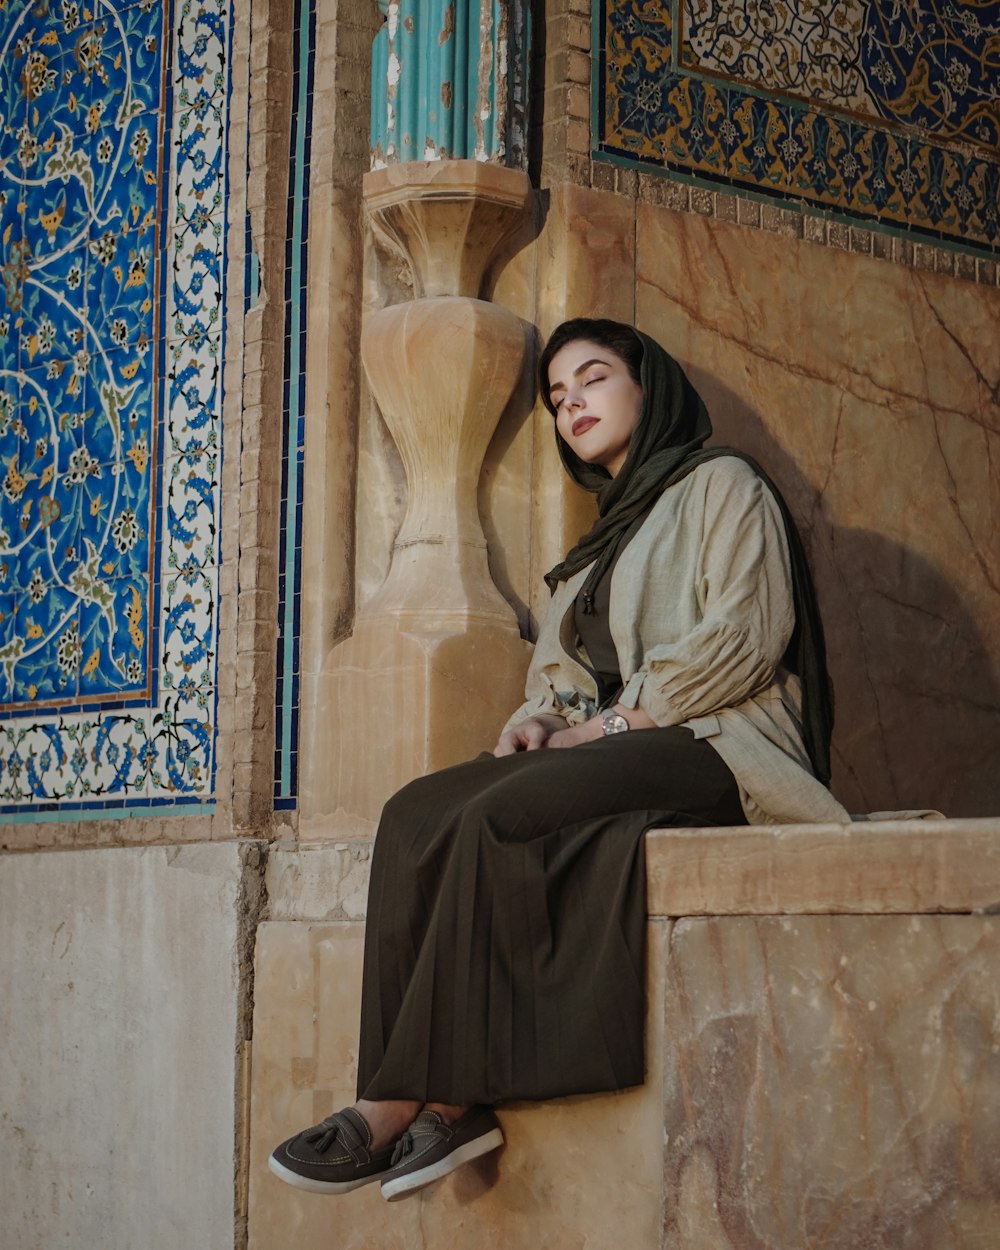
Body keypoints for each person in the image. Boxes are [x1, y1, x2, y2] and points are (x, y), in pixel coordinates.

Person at [268, 318, 849, 1202]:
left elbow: (747, 637)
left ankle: (416, 1099)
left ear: (647, 385)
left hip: (719, 745)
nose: (572, 400)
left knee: (504, 816)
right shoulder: (593, 548)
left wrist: (612, 727)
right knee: (416, 812)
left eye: (594, 377)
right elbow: (561, 680)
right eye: (558, 395)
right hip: (627, 746)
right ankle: (427, 1097)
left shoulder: (723, 486)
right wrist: (541, 724)